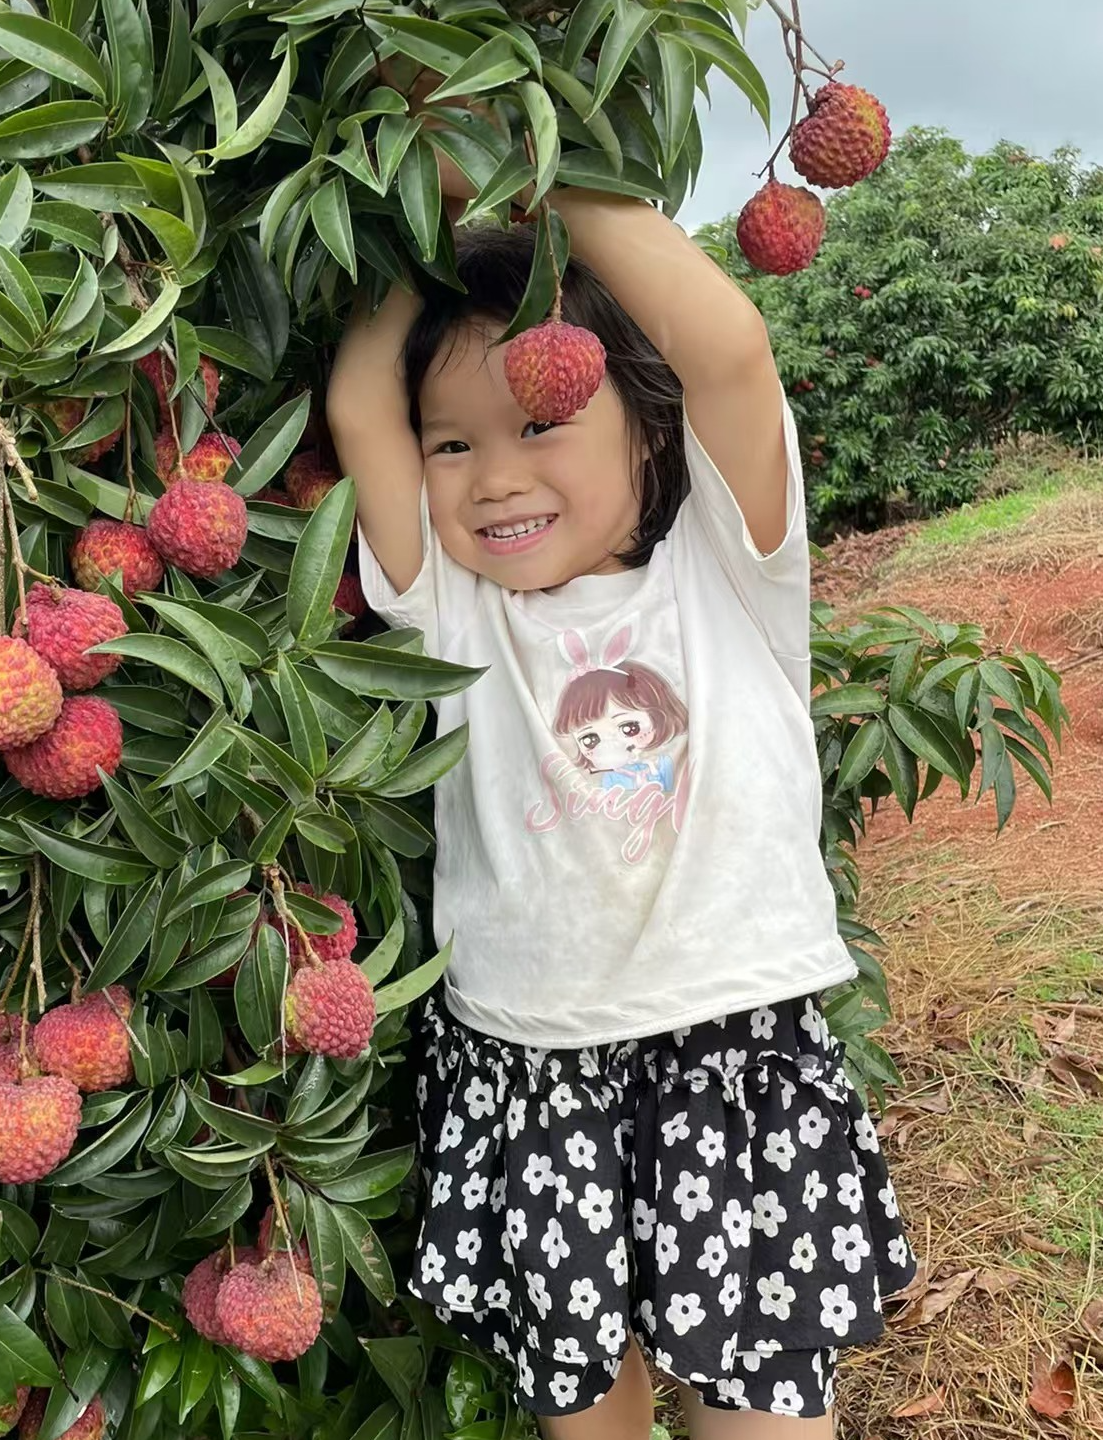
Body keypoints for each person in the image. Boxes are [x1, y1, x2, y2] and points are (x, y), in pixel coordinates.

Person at [326, 170, 919, 1440]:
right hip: (533, 1068)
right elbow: (359, 409)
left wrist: (535, 176)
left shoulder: (731, 568)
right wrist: (409, 216)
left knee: (763, 1406)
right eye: (455, 443)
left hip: (732, 1058)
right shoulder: (454, 611)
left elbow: (728, 347)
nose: (494, 478)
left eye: (541, 423)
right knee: (584, 1410)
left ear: (647, 430)